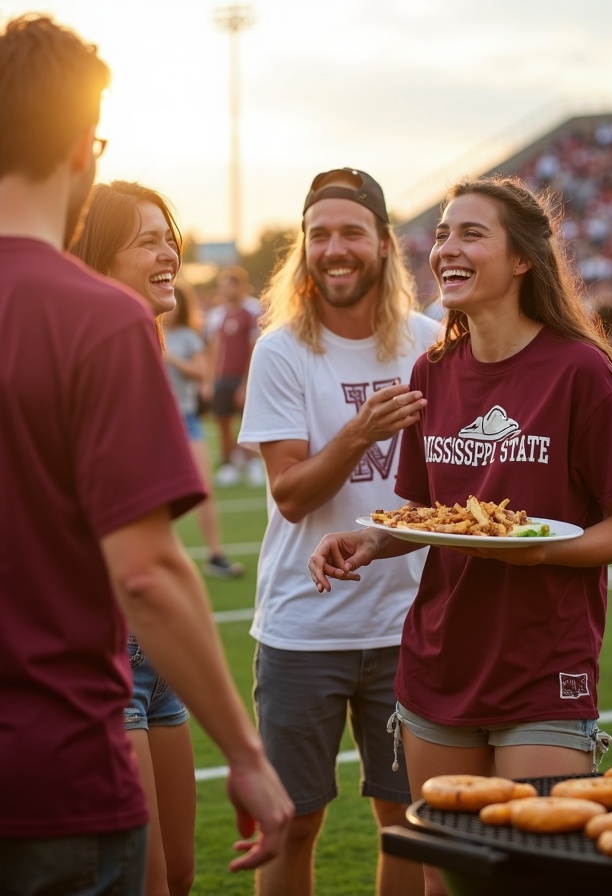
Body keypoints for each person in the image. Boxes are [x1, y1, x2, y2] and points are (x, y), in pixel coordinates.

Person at [0, 14, 292, 896]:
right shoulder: (93, 315)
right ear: (85, 149)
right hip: (55, 765)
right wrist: (245, 754)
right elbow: (147, 573)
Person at [308, 174, 612, 896]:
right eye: (441, 234)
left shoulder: (579, 370)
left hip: (544, 664)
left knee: (529, 880)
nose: (446, 249)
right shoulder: (432, 370)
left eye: (471, 233)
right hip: (439, 661)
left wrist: (535, 548)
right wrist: (373, 540)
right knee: (448, 881)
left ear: (523, 258)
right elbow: (425, 512)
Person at [237, 167, 439, 896]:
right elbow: (290, 496)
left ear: (384, 244)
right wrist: (360, 431)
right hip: (303, 626)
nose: (334, 247)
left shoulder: (431, 340)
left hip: (408, 623)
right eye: (318, 233)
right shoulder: (282, 349)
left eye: (351, 231)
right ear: (303, 248)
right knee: (291, 822)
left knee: (409, 819)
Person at [70, 182, 248, 895]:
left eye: (168, 234)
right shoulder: (85, 357)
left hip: (156, 659)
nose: (169, 249)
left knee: (178, 875)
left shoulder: (144, 354)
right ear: (97, 258)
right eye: (147, 239)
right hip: (99, 657)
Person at [164, 278, 246, 578]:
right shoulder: (140, 326)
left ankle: (215, 555)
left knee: (204, 489)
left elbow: (201, 372)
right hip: (153, 423)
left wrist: (168, 354)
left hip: (185, 420)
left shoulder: (186, 336)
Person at [207, 266, 264, 487]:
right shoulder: (217, 315)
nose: (227, 290)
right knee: (222, 421)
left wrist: (245, 383)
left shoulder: (252, 312)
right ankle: (229, 463)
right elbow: (214, 348)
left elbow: (253, 349)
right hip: (222, 378)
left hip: (242, 377)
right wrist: (211, 379)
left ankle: (251, 464)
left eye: (231, 285)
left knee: (247, 422)